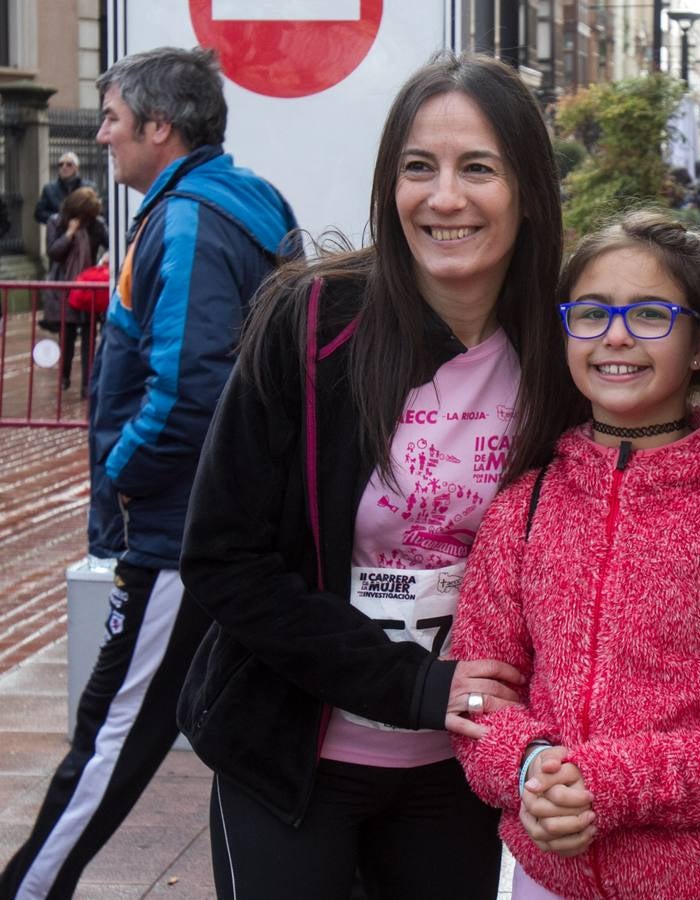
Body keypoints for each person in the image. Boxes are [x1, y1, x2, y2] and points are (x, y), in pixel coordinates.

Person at [174, 53, 570, 900]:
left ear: (529, 190)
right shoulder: (310, 324)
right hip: (292, 759)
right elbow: (223, 559)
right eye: (417, 168)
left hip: (459, 772)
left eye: (478, 169)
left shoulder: (564, 354)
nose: (444, 198)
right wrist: (411, 686)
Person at [0, 47, 299, 900]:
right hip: (230, 522)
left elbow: (189, 385)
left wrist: (125, 476)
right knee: (247, 738)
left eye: (113, 119)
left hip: (177, 536)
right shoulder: (236, 204)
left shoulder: (188, 219)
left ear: (159, 128)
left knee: (108, 738)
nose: (102, 135)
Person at [452, 209, 700, 899]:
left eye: (648, 316)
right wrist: (529, 769)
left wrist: (609, 783)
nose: (615, 336)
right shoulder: (525, 505)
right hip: (551, 878)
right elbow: (478, 696)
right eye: (591, 313)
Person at [41, 186, 109, 393]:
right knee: (67, 337)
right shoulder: (56, 222)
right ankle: (65, 376)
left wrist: (106, 258)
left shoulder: (96, 226)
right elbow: (53, 252)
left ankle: (87, 384)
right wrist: (69, 234)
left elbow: (110, 244)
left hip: (87, 289)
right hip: (64, 288)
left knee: (89, 338)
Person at [34, 152, 87, 225]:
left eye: (69, 164)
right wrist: (58, 218)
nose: (64, 167)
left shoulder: (88, 188)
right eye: (61, 165)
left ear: (77, 168)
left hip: (83, 231)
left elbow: (97, 211)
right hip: (59, 233)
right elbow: (39, 214)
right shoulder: (49, 189)